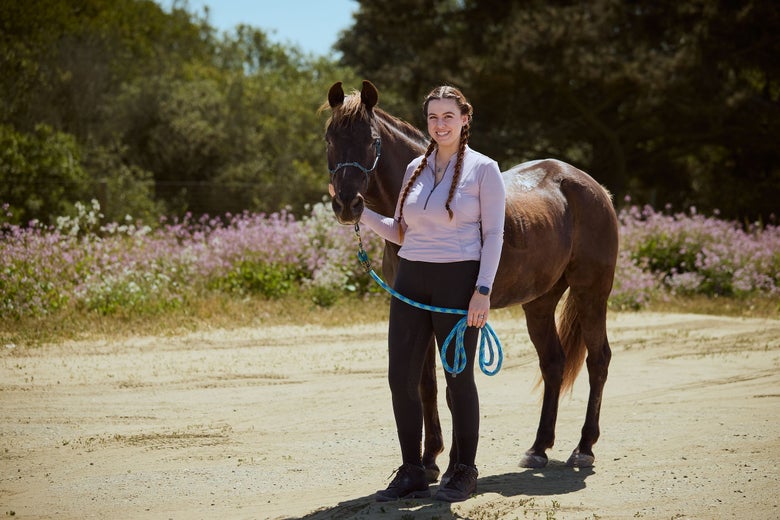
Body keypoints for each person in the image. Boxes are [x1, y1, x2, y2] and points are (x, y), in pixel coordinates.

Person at [359, 85, 506, 502]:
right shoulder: (414, 170)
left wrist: (482, 291)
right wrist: (360, 212)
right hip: (410, 281)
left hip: (459, 282)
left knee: (458, 378)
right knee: (400, 378)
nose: (439, 125)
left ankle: (464, 471)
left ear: (465, 120)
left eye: (448, 116)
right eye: (432, 118)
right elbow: (400, 232)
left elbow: (494, 234)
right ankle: (412, 469)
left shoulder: (484, 169)